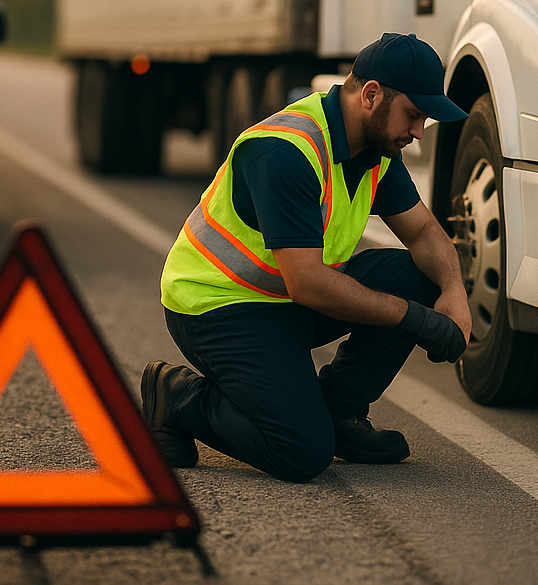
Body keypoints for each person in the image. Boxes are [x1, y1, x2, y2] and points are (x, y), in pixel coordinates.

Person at [141, 32, 472, 483]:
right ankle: (176, 397)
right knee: (300, 451)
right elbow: (307, 283)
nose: (417, 132)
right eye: (413, 115)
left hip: (287, 301)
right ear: (371, 95)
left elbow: (425, 233)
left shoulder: (375, 150)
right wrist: (413, 319)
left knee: (421, 275)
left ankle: (340, 414)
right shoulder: (286, 152)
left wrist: (453, 294)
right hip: (217, 307)